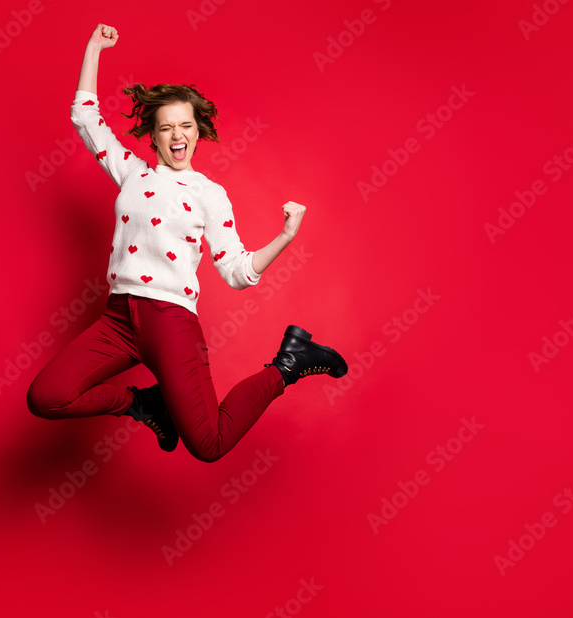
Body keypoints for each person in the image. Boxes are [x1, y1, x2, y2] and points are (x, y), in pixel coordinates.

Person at [26, 23, 348, 462]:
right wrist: (93, 48)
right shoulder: (132, 173)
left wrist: (285, 236)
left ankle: (289, 363)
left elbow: (238, 271)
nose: (177, 135)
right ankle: (143, 404)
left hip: (171, 323)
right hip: (119, 318)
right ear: (153, 135)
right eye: (166, 128)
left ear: (198, 131)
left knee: (209, 444)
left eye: (186, 126)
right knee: (47, 397)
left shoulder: (209, 195)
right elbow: (85, 116)